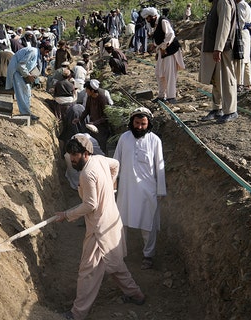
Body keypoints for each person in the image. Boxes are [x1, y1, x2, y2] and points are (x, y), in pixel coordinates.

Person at [55, 135, 145, 320]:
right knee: (115, 262)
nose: (72, 159)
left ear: (86, 153)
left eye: (75, 155)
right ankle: (136, 295)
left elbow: (90, 205)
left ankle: (77, 314)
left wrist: (66, 215)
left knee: (88, 271)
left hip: (99, 229)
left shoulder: (87, 174)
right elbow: (116, 165)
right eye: (70, 155)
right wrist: (110, 186)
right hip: (111, 219)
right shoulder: (100, 159)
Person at [113, 107, 166, 270]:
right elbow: (115, 162)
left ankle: (148, 256)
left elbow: (160, 165)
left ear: (149, 123)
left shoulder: (155, 140)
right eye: (137, 123)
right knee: (121, 223)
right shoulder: (124, 138)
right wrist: (112, 183)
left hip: (147, 191)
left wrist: (160, 190)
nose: (140, 127)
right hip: (126, 190)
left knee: (147, 224)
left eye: (143, 124)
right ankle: (119, 253)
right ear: (132, 122)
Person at [199, 0, 238, 124]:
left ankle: (231, 111)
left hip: (223, 49)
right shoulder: (217, 2)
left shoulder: (223, 2)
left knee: (227, 79)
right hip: (216, 48)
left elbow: (224, 25)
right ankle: (217, 109)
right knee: (216, 80)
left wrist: (218, 48)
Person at [141, 7, 185, 104]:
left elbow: (170, 35)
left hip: (170, 51)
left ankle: (171, 97)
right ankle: (161, 96)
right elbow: (159, 37)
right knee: (159, 73)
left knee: (170, 74)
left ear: (153, 16)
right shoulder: (156, 24)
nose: (147, 20)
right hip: (162, 52)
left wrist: (164, 47)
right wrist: (156, 48)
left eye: (148, 18)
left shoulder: (163, 21)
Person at [5, 43, 53, 121]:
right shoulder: (33, 52)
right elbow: (21, 64)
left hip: (21, 73)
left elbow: (29, 65)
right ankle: (25, 113)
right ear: (42, 48)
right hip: (16, 72)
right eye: (46, 51)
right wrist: (27, 75)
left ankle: (27, 112)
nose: (46, 54)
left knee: (27, 91)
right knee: (22, 92)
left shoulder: (37, 54)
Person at [74, 79, 111, 154]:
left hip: (102, 127)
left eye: (87, 90)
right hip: (92, 125)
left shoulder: (102, 99)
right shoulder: (90, 98)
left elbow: (106, 116)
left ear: (92, 91)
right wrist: (79, 119)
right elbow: (87, 110)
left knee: (101, 145)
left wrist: (95, 123)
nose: (86, 91)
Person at [234, 0, 251, 91]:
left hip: (241, 33)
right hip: (246, 33)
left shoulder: (240, 5)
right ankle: (247, 83)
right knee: (246, 59)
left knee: (241, 58)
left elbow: (241, 21)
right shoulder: (247, 5)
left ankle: (240, 83)